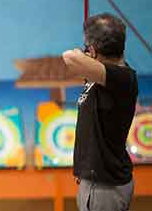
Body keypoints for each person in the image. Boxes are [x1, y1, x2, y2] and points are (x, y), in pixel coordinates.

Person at [62, 13, 138, 211]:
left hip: (105, 188)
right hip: (98, 183)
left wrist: (87, 54)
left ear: (93, 50)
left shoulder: (121, 77)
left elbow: (69, 57)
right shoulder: (105, 75)